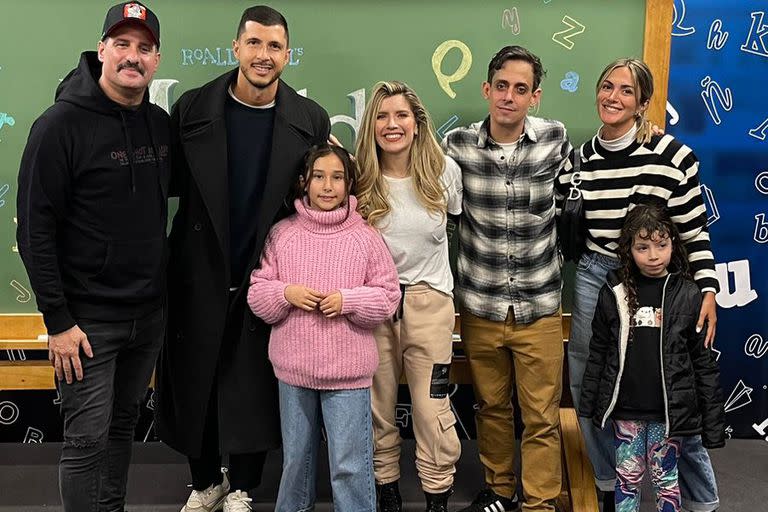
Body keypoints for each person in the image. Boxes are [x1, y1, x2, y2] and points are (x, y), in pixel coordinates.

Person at [153, 5, 330, 512]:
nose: (263, 55)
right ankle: (207, 482)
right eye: (254, 43)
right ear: (236, 48)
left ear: (287, 55)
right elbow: (174, 190)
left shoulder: (308, 119)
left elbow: (310, 199)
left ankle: (245, 489)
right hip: (197, 269)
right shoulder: (192, 108)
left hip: (268, 276)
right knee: (196, 382)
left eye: (274, 46)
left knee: (253, 383)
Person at [16, 3, 168, 511]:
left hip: (146, 317)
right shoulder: (58, 126)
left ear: (156, 59)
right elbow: (36, 229)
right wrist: (57, 320)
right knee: (84, 442)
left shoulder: (159, 126)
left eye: (144, 48)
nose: (133, 56)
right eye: (122, 44)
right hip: (85, 325)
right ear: (101, 49)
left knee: (123, 427)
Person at [555, 58, 721, 512]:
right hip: (597, 277)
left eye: (627, 91)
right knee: (592, 380)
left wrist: (708, 289)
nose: (613, 97)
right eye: (607, 86)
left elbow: (694, 232)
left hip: (660, 284)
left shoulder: (674, 157)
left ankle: (700, 500)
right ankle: (611, 484)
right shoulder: (579, 160)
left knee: (673, 389)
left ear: (643, 102)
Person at [442, 46, 570, 512]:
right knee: (490, 410)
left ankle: (537, 503)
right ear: (486, 89)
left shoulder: (556, 140)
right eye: (502, 87)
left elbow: (584, 185)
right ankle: (499, 490)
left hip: (538, 305)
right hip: (480, 305)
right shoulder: (456, 146)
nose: (509, 97)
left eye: (521, 89)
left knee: (541, 417)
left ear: (534, 97)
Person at [247, 143, 401, 511]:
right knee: (295, 463)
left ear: (349, 185)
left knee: (349, 466)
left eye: (337, 177)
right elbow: (258, 294)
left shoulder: (365, 237)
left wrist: (348, 301)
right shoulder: (283, 234)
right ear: (304, 183)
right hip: (293, 373)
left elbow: (388, 295)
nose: (327, 186)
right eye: (319, 177)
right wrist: (287, 293)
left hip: (348, 376)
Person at [354, 81, 463, 512]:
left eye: (401, 115)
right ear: (371, 126)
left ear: (417, 124)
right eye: (381, 116)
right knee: (377, 407)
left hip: (429, 304)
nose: (391, 124)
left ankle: (438, 496)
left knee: (432, 408)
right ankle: (387, 493)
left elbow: (455, 220)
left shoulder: (443, 172)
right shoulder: (358, 178)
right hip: (371, 307)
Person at [578, 202, 725, 512]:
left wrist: (712, 422)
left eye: (662, 245)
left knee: (665, 479)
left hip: (666, 415)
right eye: (643, 247)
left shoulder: (687, 294)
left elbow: (703, 364)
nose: (654, 255)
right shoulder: (614, 291)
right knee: (627, 478)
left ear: (674, 244)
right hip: (626, 410)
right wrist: (591, 403)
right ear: (628, 249)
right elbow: (599, 352)